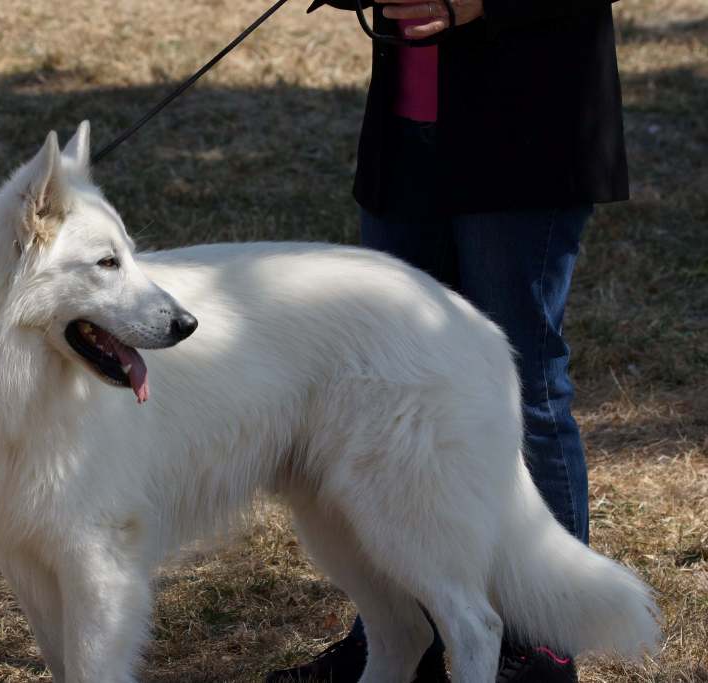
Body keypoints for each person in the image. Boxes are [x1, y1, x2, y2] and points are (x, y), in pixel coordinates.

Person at [267, 0, 627, 681]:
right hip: (407, 140)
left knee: (528, 383)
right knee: (391, 394)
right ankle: (400, 633)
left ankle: (541, 643)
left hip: (526, 129)